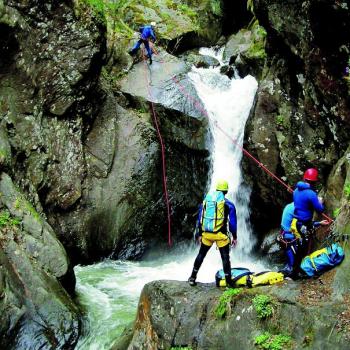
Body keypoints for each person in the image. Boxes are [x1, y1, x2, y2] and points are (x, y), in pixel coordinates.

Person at [188, 179, 237, 287]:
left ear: (217, 189)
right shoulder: (229, 205)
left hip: (207, 234)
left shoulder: (206, 202)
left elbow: (200, 219)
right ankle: (229, 282)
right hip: (221, 236)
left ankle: (192, 277)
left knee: (201, 254)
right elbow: (232, 223)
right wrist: (234, 236)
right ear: (226, 191)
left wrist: (199, 234)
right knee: (225, 257)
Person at [291, 168, 329, 273]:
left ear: (304, 178)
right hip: (304, 224)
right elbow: (320, 210)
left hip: (297, 223)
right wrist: (319, 201)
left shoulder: (295, 191)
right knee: (303, 248)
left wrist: (319, 223)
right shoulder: (311, 194)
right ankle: (297, 272)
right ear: (314, 182)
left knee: (300, 245)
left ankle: (297, 270)